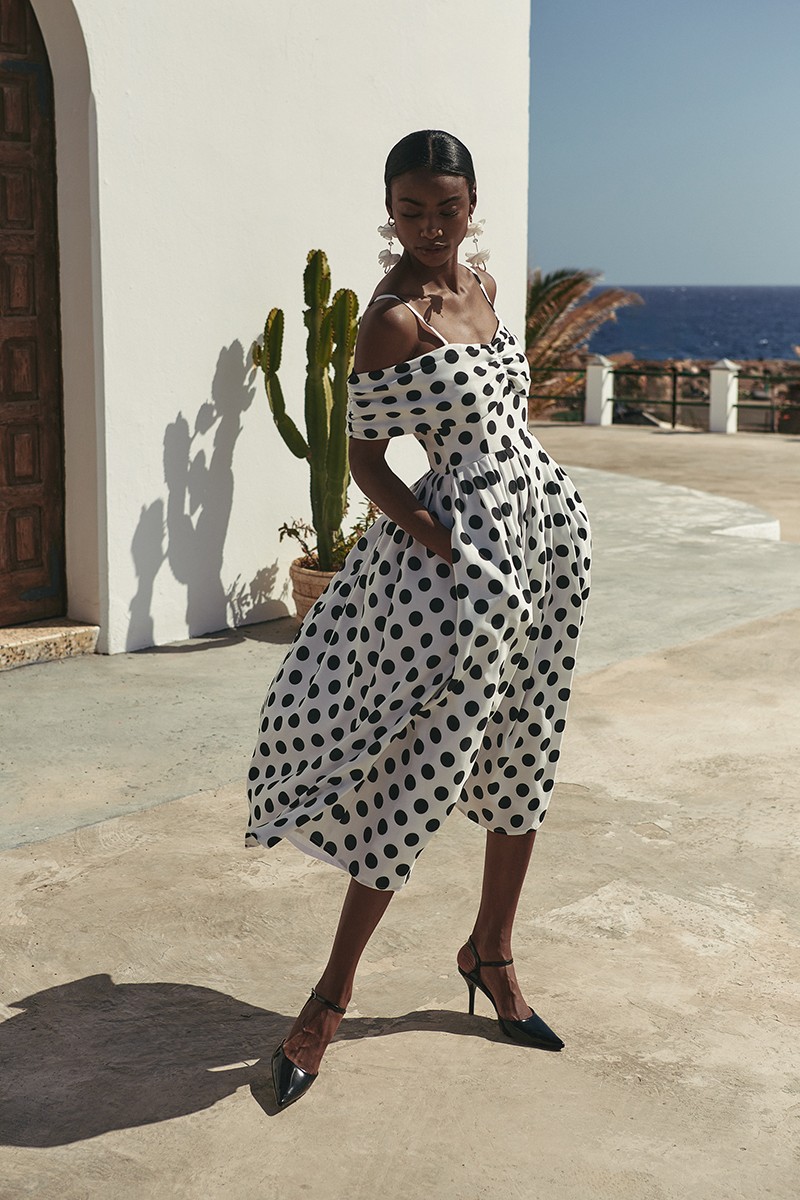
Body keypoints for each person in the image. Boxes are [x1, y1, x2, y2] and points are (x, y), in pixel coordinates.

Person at [246, 130, 591, 1110]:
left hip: (542, 543)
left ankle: (491, 953)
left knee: (527, 748)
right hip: (458, 575)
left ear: (470, 206)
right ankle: (327, 1001)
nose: (430, 227)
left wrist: (532, 514)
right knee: (416, 774)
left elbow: (508, 423)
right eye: (411, 210)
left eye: (446, 208)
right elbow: (365, 463)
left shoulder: (485, 288)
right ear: (389, 211)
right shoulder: (389, 323)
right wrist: (441, 540)